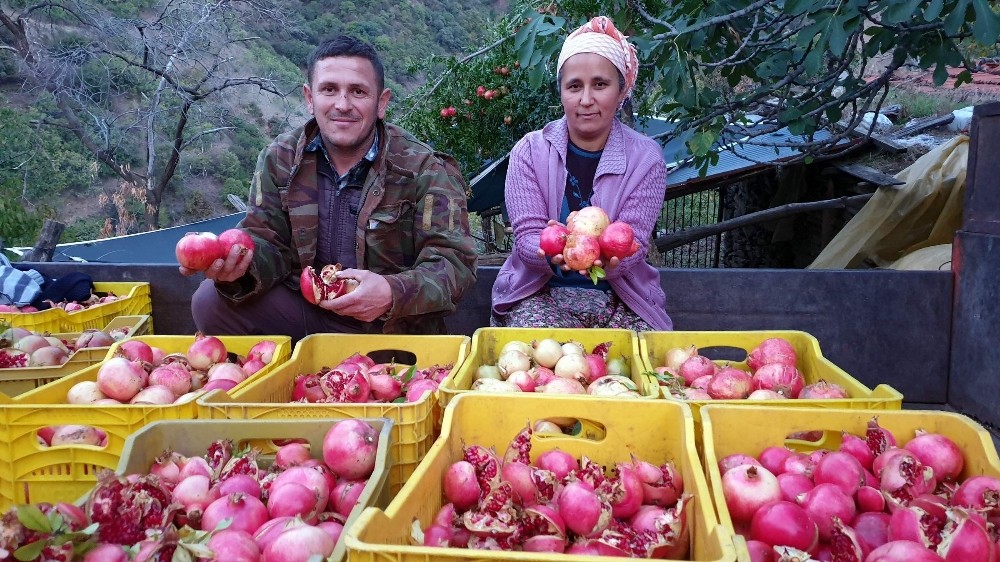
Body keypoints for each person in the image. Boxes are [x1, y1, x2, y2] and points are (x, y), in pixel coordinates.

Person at [184, 35, 478, 341]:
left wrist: (393, 292)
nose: (342, 104)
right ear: (310, 98)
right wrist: (242, 269)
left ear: (382, 102)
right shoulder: (280, 158)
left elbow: (454, 263)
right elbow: (267, 239)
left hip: (390, 326)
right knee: (211, 302)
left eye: (358, 91)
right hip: (304, 313)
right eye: (329, 89)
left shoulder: (424, 168)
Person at [491, 16, 672, 331]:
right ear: (561, 92)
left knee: (630, 366)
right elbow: (527, 237)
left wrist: (604, 259)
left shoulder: (646, 159)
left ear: (621, 90)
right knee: (543, 357)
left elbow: (634, 242)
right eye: (574, 86)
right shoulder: (529, 152)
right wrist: (552, 254)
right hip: (540, 295)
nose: (586, 99)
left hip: (622, 300)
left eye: (600, 84)